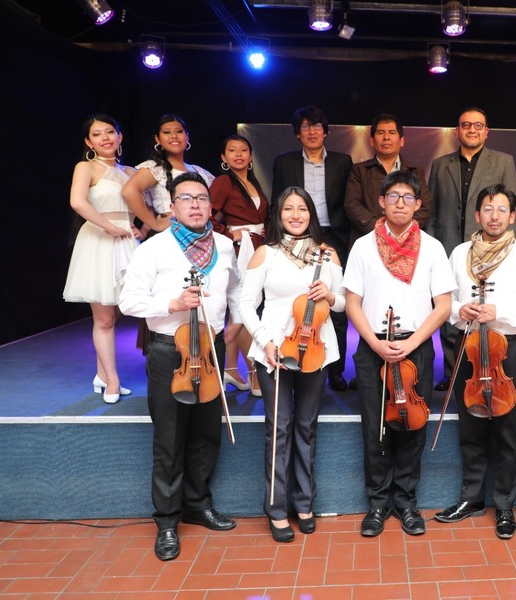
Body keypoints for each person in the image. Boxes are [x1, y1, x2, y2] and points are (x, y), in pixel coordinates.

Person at [119, 172, 242, 562]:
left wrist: (233, 324)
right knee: (170, 439)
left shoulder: (223, 245)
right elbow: (128, 302)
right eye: (186, 198)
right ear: (171, 207)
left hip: (209, 350)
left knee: (207, 432)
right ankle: (168, 521)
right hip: (169, 351)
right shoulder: (154, 249)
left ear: (210, 206)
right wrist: (171, 305)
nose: (195, 204)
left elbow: (235, 289)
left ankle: (198, 503)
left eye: (201, 199)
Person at [342, 171, 455, 538]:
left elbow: (442, 306)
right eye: (394, 197)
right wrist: (375, 344)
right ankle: (377, 503)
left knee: (412, 425)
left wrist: (412, 343)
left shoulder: (434, 248)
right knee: (374, 428)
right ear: (381, 202)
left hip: (415, 347)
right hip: (373, 347)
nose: (401, 204)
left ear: (419, 205)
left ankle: (406, 502)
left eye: (408, 198)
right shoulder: (362, 246)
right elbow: (352, 302)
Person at [434, 184, 516, 540]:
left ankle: (504, 505)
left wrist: (500, 312)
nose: (494, 215)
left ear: (512, 216)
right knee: (470, 428)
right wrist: (458, 310)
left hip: (505, 351)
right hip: (468, 349)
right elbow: (444, 302)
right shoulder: (460, 253)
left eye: (501, 209)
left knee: (505, 431)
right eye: (487, 208)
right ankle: (471, 499)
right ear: (477, 214)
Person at [239, 187, 344, 543]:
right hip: (275, 351)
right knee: (279, 428)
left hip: (315, 350)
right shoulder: (264, 253)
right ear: (279, 214)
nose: (296, 215)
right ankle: (276, 507)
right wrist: (264, 343)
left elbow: (344, 303)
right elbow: (245, 305)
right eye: (288, 209)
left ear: (312, 214)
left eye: (302, 209)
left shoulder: (326, 254)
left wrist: (329, 295)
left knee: (306, 427)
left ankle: (304, 502)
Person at [428, 107, 516, 391]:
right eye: (465, 125)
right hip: (448, 246)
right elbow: (432, 211)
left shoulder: (504, 161)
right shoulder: (441, 164)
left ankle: (485, 366)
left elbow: (509, 205)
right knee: (451, 308)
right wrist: (433, 249)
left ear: (486, 131)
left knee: (483, 308)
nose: (472, 130)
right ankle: (451, 371)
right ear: (457, 130)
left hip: (488, 247)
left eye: (478, 125)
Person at [271, 106, 353, 392]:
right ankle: (297, 356)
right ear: (297, 133)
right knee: (300, 301)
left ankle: (335, 370)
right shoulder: (284, 162)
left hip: (334, 237)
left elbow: (346, 202)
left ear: (326, 131)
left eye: (318, 126)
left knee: (334, 304)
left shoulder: (343, 161)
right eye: (306, 126)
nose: (313, 131)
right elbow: (277, 203)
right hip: (298, 234)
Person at [62, 114, 137, 404]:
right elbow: (77, 202)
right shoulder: (86, 167)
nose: (105, 137)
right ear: (88, 141)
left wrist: (139, 227)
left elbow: (145, 207)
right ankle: (112, 379)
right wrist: (110, 228)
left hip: (127, 241)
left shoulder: (130, 171)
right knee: (104, 318)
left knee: (122, 309)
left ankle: (101, 373)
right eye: (97, 134)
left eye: (110, 132)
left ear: (120, 137)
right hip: (99, 239)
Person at [210, 134, 269, 397]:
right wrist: (227, 232)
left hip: (257, 245)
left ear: (251, 156)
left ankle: (231, 369)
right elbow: (205, 215)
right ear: (223, 158)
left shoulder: (252, 182)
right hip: (239, 248)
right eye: (231, 150)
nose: (238, 154)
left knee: (241, 310)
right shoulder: (223, 182)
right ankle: (254, 371)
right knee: (244, 308)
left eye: (243, 150)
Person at [344, 113, 432, 249]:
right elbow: (352, 205)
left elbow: (424, 207)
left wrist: (402, 230)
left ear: (401, 140)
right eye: (380, 133)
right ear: (372, 141)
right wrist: (382, 230)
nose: (386, 137)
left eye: (392, 132)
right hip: (368, 239)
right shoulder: (359, 170)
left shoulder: (415, 171)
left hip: (407, 243)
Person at [122, 114, 215, 240]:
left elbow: (217, 205)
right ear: (158, 139)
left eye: (179, 131)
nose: (174, 136)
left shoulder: (200, 172)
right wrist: (154, 224)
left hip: (201, 235)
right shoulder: (155, 168)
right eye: (167, 132)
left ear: (187, 136)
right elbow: (129, 191)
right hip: (170, 236)